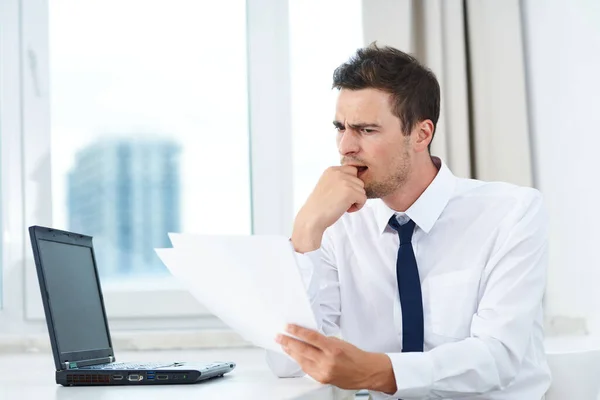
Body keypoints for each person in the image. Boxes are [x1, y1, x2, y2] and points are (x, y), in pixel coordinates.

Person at [267, 44, 551, 399]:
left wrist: (377, 371)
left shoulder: (512, 212)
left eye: (366, 130)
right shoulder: (337, 225)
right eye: (341, 127)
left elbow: (498, 357)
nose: (346, 146)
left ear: (421, 134)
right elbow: (285, 363)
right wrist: (306, 229)